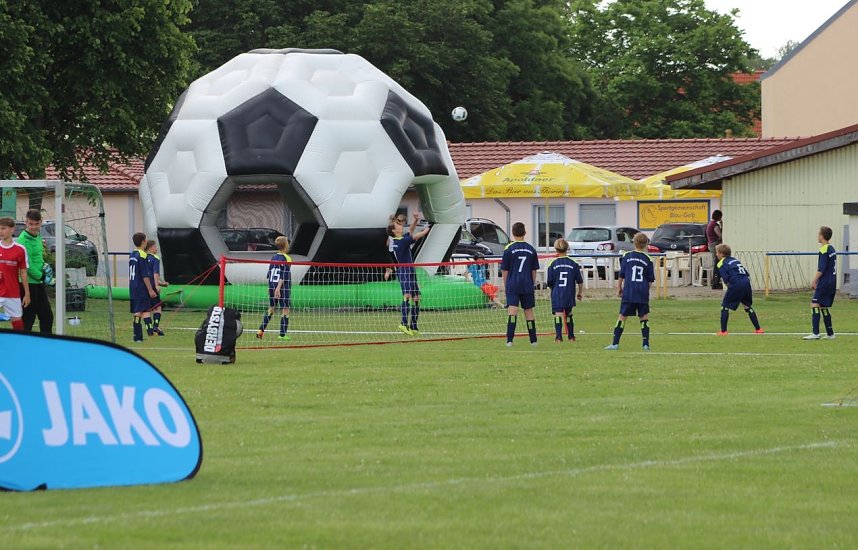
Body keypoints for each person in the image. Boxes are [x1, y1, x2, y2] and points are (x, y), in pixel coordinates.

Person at [605, 232, 655, 350]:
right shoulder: (648, 259)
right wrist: (645, 290)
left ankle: (615, 343)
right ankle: (646, 344)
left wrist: (619, 288)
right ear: (646, 244)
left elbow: (621, 275)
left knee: (622, 316)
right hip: (642, 293)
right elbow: (650, 280)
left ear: (634, 242)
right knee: (643, 317)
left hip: (629, 292)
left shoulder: (626, 256)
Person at [388, 218, 430, 334]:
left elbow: (410, 231)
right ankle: (403, 323)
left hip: (410, 270)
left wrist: (415, 220)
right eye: (398, 225)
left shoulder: (401, 239)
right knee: (407, 295)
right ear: (394, 230)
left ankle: (413, 326)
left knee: (416, 297)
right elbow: (415, 236)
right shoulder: (400, 242)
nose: (401, 226)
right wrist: (426, 231)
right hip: (404, 271)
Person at [501, 222, 539, 347]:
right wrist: (531, 283)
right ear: (525, 232)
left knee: (512, 311)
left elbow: (505, 270)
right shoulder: (531, 249)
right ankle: (533, 340)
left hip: (513, 284)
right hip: (527, 284)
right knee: (529, 312)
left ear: (512, 233)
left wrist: (506, 285)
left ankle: (509, 340)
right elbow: (534, 270)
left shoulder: (508, 249)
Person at [16, 209, 54, 333]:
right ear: (26, 222)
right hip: (27, 283)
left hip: (38, 283)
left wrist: (45, 266)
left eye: (36, 224)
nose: (33, 227)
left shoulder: (37, 236)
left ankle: (45, 342)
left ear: (41, 222)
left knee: (47, 316)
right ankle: (24, 343)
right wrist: (41, 276)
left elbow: (38, 258)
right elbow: (27, 265)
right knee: (28, 318)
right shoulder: (23, 240)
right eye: (31, 224)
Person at [714, 244, 763, 335]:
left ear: (721, 253)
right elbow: (746, 273)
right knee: (747, 306)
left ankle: (723, 331)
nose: (716, 254)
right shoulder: (735, 260)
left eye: (717, 252)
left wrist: (732, 289)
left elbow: (726, 279)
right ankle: (758, 329)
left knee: (724, 306)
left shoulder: (721, 263)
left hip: (736, 283)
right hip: (746, 282)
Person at [546, 238, 583, 343]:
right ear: (567, 248)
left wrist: (552, 290)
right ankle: (571, 337)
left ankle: (558, 337)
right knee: (569, 313)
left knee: (558, 314)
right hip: (569, 293)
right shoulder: (573, 263)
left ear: (555, 249)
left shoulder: (552, 263)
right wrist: (580, 292)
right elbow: (579, 280)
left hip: (557, 293)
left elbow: (549, 281)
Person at [257, 236, 293, 341]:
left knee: (271, 308)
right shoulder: (287, 258)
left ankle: (260, 331)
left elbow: (270, 273)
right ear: (286, 245)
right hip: (282, 287)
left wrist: (270, 287)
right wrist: (278, 288)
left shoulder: (274, 257)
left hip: (272, 285)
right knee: (285, 309)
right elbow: (284, 274)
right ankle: (282, 335)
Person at [804, 226, 836, 340]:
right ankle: (830, 334)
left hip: (824, 282)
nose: (817, 236)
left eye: (819, 234)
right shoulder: (832, 248)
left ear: (822, 236)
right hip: (832, 282)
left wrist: (814, 281)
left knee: (814, 304)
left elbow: (821, 269)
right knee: (823, 306)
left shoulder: (824, 249)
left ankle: (815, 333)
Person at [0, 217, 31, 330]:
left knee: (17, 322)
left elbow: (23, 272)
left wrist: (27, 294)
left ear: (12, 229)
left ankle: (19, 340)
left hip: (12, 292)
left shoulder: (20, 249)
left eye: (3, 228)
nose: (1, 231)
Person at [129, 232, 156, 342]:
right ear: (143, 241)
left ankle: (141, 335)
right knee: (140, 311)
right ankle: (137, 337)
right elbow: (145, 275)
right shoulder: (142, 255)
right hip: (141, 287)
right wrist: (150, 290)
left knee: (142, 310)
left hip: (133, 286)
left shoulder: (132, 254)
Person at [145, 239, 169, 336]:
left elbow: (147, 275)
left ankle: (150, 330)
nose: (156, 248)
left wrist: (162, 284)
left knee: (146, 309)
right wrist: (157, 285)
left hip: (144, 286)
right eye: (155, 246)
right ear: (150, 248)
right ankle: (155, 326)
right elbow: (155, 274)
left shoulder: (143, 257)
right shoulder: (155, 258)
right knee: (157, 308)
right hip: (152, 286)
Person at [706, 210, 723, 289]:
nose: (721, 217)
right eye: (720, 216)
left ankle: (715, 282)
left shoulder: (710, 223)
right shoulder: (714, 225)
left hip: (711, 244)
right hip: (715, 245)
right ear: (718, 216)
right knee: (717, 264)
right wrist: (722, 226)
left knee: (716, 263)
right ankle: (715, 283)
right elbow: (720, 235)